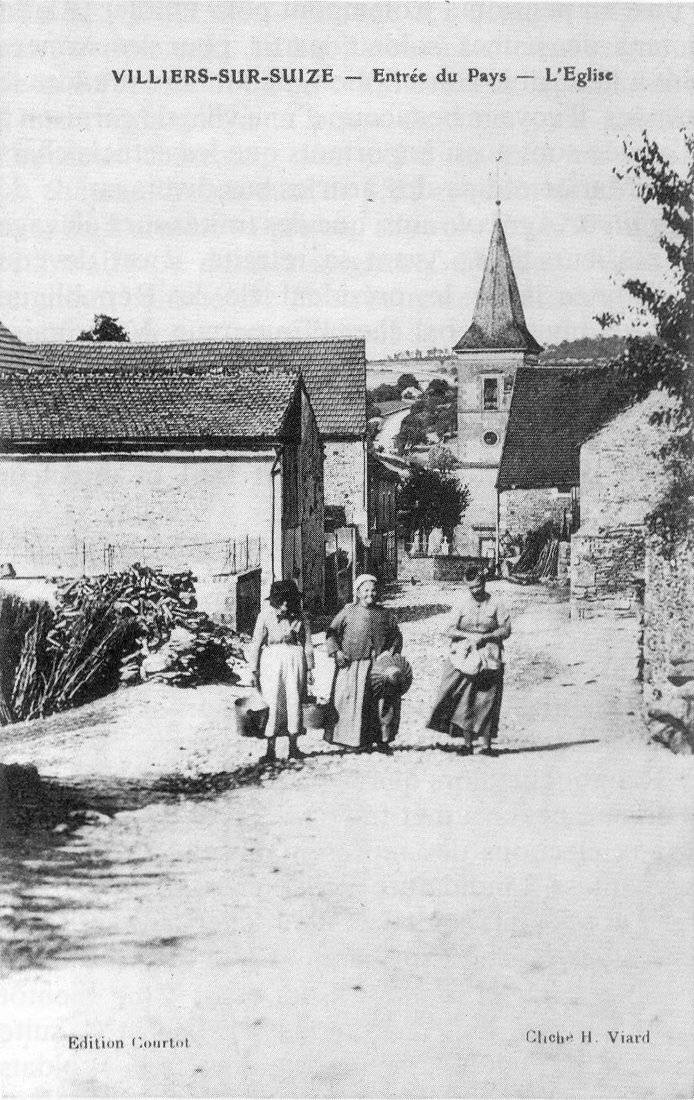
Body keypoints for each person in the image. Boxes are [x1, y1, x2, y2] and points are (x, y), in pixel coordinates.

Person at [427, 565, 511, 755]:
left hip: (489, 654)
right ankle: (467, 744)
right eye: (471, 588)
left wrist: (487, 637)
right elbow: (449, 629)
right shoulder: (461, 604)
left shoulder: (496, 603)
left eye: (478, 586)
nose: (475, 591)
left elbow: (506, 630)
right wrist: (467, 636)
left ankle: (487, 746)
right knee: (466, 699)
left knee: (488, 698)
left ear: (484, 583)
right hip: (465, 655)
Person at [324, 574, 403, 754]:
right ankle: (352, 740)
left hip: (379, 667)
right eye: (366, 590)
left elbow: (396, 636)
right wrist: (336, 652)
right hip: (354, 666)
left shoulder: (385, 614)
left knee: (382, 703)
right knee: (353, 703)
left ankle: (383, 740)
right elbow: (331, 633)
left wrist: (389, 653)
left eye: (373, 590)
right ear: (358, 593)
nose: (370, 594)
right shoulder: (347, 612)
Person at [248, 580, 314, 763]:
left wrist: (309, 669)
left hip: (295, 659)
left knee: (294, 700)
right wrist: (253, 670)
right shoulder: (265, 616)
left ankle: (294, 747)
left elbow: (307, 644)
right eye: (281, 600)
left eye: (289, 600)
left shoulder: (300, 617)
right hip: (271, 661)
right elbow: (255, 644)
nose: (285, 604)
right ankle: (271, 749)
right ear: (274, 601)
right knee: (272, 701)